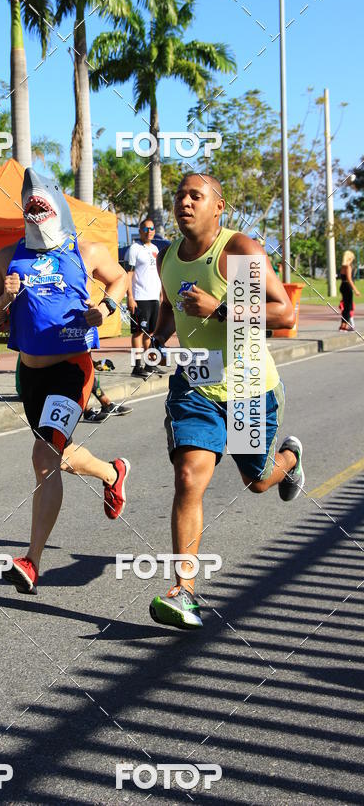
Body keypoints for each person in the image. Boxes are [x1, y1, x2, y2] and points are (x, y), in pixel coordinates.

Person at [149, 173, 305, 629]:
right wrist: (158, 337)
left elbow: (284, 312)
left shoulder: (237, 251)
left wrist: (219, 308)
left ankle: (289, 460)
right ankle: (184, 592)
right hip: (196, 384)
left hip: (248, 386)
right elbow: (169, 306)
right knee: (188, 477)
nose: (185, 202)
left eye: (196, 196)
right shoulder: (167, 256)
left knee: (257, 480)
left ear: (219, 206)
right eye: (180, 195)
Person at [0, 168, 130, 595]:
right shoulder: (6, 257)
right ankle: (112, 472)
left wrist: (106, 307)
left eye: (41, 198)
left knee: (44, 457)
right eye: (28, 200)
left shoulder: (85, 250)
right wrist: (6, 296)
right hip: (29, 374)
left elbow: (119, 277)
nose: (34, 203)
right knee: (57, 455)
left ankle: (31, 561)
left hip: (72, 369)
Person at [126, 218, 163, 378]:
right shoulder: (134, 249)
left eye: (152, 229)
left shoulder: (155, 248)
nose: (149, 232)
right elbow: (128, 275)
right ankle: (137, 367)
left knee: (150, 333)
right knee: (138, 332)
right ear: (140, 231)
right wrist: (130, 297)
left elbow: (158, 274)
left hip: (154, 297)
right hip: (140, 298)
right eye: (146, 229)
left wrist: (161, 294)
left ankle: (150, 365)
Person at [338, 250, 360, 331]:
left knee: (346, 307)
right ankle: (345, 326)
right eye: (352, 258)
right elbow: (349, 279)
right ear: (350, 258)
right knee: (348, 307)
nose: (353, 259)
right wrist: (356, 290)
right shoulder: (348, 267)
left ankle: (343, 325)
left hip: (342, 286)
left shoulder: (343, 266)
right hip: (347, 287)